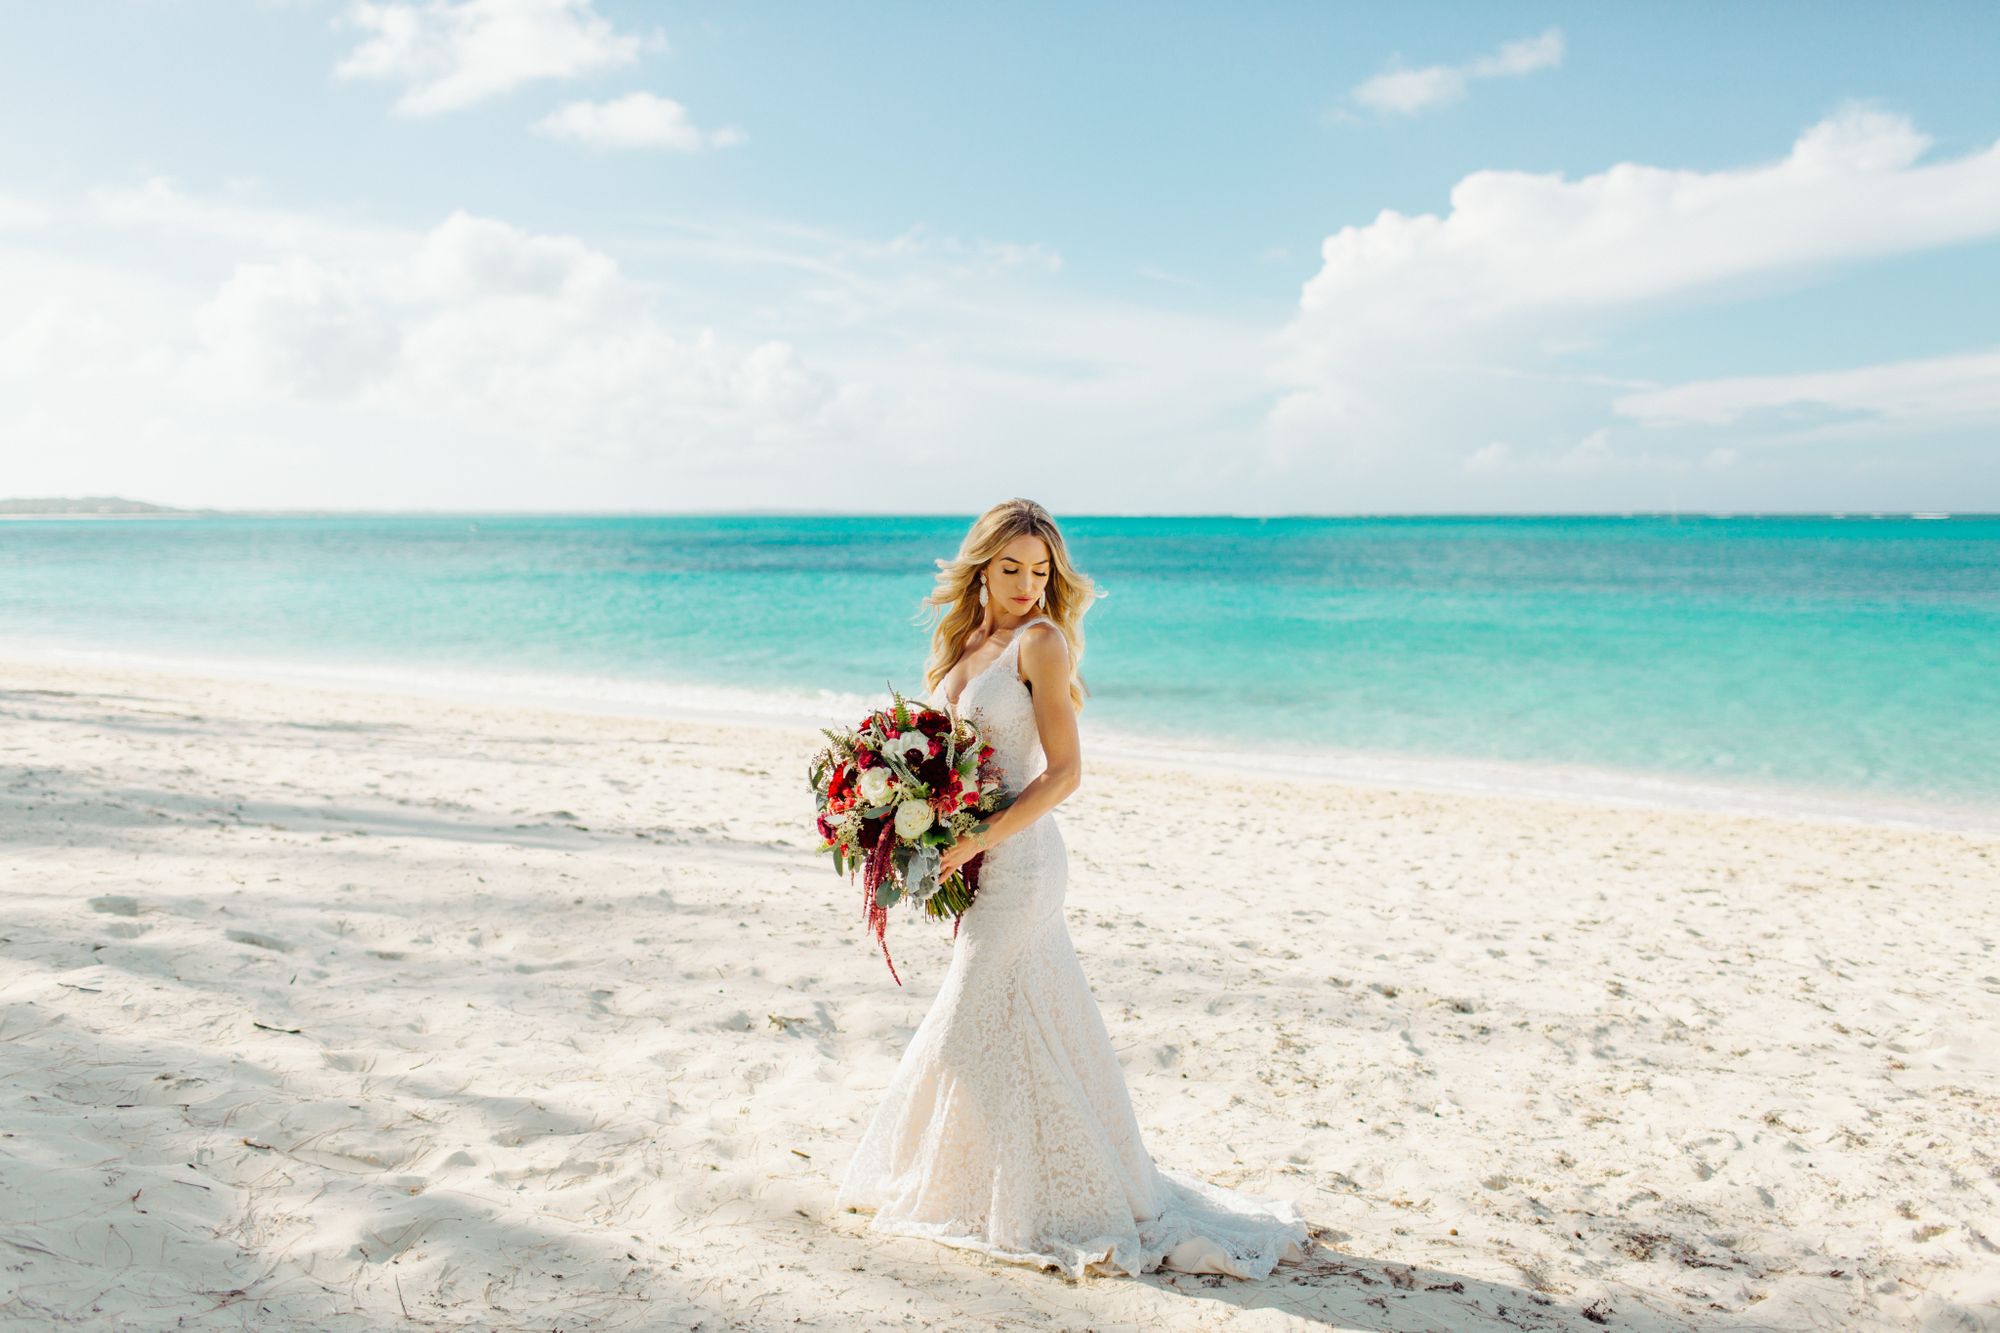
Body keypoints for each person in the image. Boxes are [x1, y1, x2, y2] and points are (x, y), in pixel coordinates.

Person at [834, 498, 1311, 1279]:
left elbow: (1065, 772)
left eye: (1040, 570)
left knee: (968, 1016)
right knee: (1026, 1012)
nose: (1026, 584)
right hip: (976, 857)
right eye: (1011, 568)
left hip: (1019, 860)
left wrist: (977, 839)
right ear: (981, 567)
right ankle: (1011, 1181)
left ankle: (1017, 1194)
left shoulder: (1042, 642)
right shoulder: (966, 640)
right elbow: (946, 758)